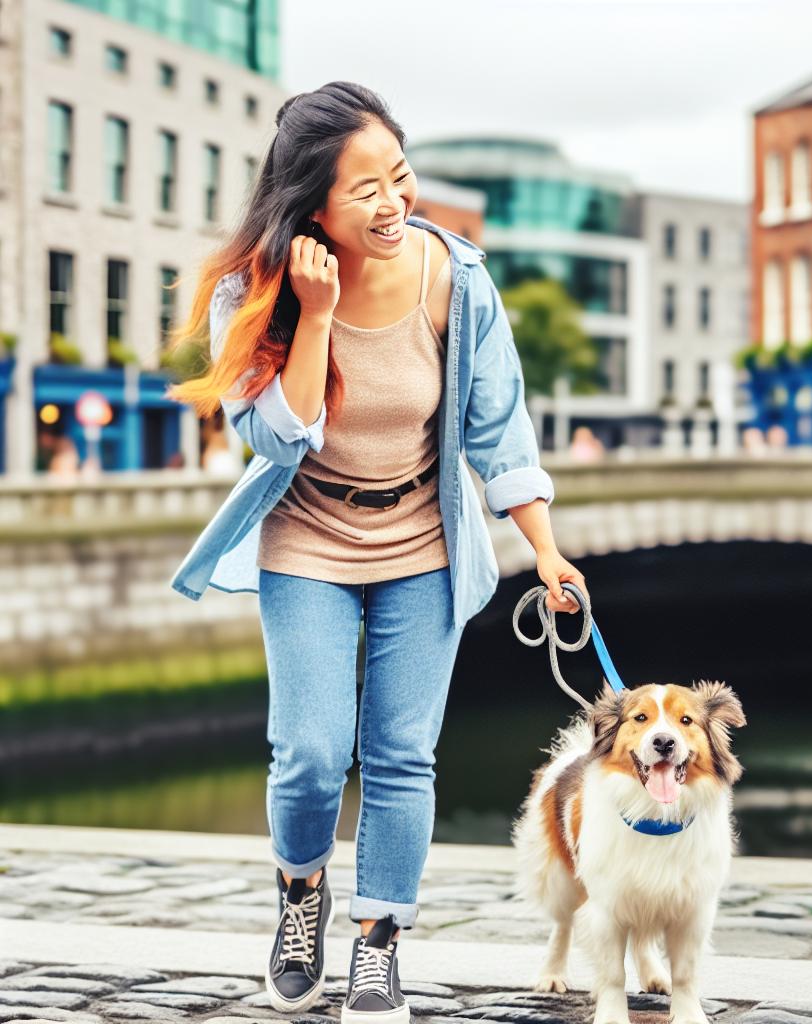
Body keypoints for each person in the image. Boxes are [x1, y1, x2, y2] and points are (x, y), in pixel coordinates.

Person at [163, 82, 588, 1023]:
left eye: (401, 177)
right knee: (311, 752)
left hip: (424, 539)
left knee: (401, 755)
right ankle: (301, 895)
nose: (394, 203)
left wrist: (547, 553)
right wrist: (314, 314)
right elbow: (279, 439)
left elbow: (500, 432)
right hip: (308, 533)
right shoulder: (259, 290)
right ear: (313, 204)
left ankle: (378, 946)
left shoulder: (458, 279)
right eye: (366, 190)